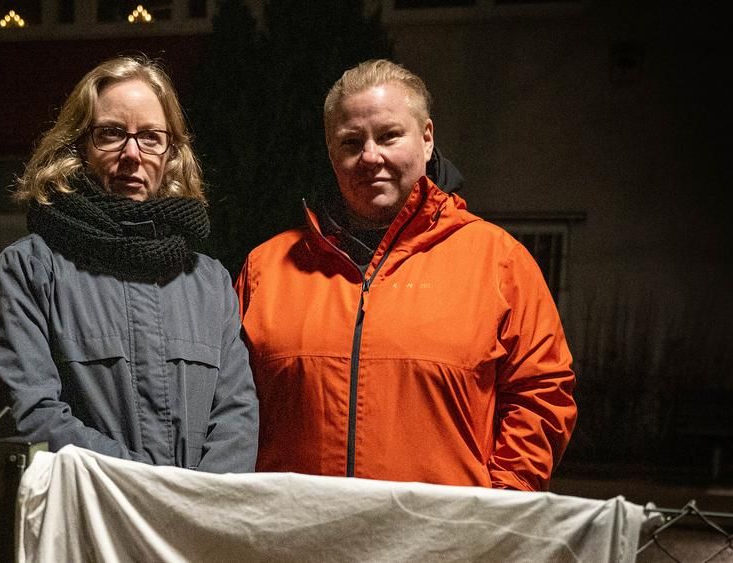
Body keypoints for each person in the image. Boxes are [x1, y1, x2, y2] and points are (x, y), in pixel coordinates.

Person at [235, 59, 576, 491]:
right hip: (299, 529)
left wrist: (497, 506)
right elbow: (231, 406)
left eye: (389, 136)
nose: (370, 156)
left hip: (442, 530)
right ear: (331, 152)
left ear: (427, 138)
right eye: (351, 141)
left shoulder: (498, 262)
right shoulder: (267, 268)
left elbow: (540, 395)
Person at [0, 55, 258, 473]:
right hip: (85, 512)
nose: (132, 153)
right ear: (79, 147)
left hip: (196, 513)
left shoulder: (208, 281)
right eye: (111, 134)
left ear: (170, 153)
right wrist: (153, 491)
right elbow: (31, 416)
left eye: (150, 137)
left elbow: (237, 417)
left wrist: (201, 498)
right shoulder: (30, 269)